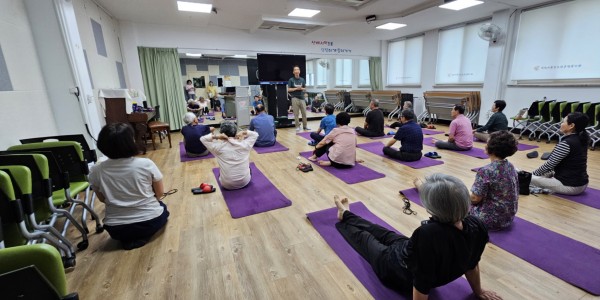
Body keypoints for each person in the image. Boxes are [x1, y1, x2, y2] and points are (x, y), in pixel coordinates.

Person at [334, 173, 499, 299]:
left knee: (366, 238)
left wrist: (479, 292)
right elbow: (472, 264)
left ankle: (344, 216)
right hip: (407, 251)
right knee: (383, 232)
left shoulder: (429, 234)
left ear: (431, 209)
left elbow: (421, 283)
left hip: (396, 269)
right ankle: (347, 214)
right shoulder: (478, 225)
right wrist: (479, 292)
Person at [89, 123, 170, 250]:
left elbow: (102, 199)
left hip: (116, 229)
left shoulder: (95, 170)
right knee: (163, 207)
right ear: (131, 142)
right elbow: (159, 194)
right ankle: (141, 236)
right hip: (150, 222)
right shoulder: (146, 164)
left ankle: (130, 239)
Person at [530, 112, 589, 195]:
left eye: (563, 122)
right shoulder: (580, 138)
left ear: (571, 126)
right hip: (582, 184)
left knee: (525, 177)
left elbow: (549, 165)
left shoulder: (567, 143)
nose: (560, 124)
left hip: (570, 186)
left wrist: (532, 175)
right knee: (543, 173)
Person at [470, 131, 519, 230]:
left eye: (487, 143)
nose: (485, 145)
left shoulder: (486, 171)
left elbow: (475, 199)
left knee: (455, 203)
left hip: (490, 219)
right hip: (508, 217)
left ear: (492, 148)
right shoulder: (510, 166)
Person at [200, 121, 258, 190]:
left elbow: (202, 139)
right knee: (249, 168)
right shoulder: (245, 145)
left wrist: (217, 136)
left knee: (221, 172)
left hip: (226, 185)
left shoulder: (218, 148)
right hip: (244, 182)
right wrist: (243, 132)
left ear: (222, 133)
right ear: (235, 132)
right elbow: (255, 134)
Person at [288, 65, 310, 131]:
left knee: (304, 113)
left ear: (299, 71)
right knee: (296, 114)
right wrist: (296, 88)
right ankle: (297, 126)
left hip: (302, 98)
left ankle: (305, 126)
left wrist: (301, 88)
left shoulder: (302, 79)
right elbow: (288, 90)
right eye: (295, 70)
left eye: (298, 69)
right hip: (294, 98)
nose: (297, 71)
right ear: (293, 72)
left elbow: (305, 89)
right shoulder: (291, 80)